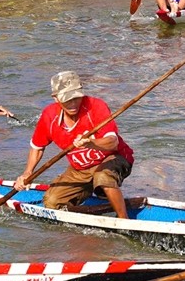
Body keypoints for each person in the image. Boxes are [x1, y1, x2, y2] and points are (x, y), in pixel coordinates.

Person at [16, 71, 135, 217]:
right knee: (52, 201)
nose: (73, 104)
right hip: (81, 168)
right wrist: (28, 172)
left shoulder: (96, 106)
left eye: (76, 98)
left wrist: (90, 143)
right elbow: (37, 147)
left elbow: (113, 142)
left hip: (113, 158)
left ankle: (124, 220)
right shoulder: (49, 116)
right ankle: (95, 199)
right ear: (55, 98)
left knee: (102, 177)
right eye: (67, 100)